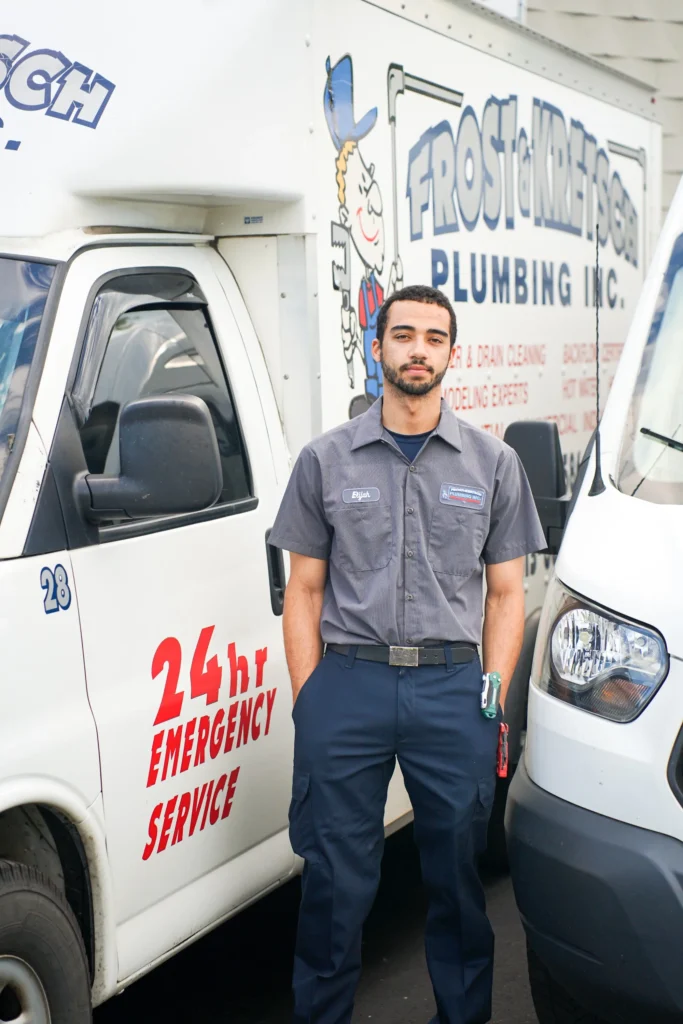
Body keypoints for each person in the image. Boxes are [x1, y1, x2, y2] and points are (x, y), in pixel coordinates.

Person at [268, 284, 546, 1024]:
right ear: (378, 346)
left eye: (433, 337)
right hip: (348, 686)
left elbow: (505, 596)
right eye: (403, 335)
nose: (417, 349)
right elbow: (303, 591)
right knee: (335, 882)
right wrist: (311, 701)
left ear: (451, 353)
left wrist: (491, 689)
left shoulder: (491, 463)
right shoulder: (324, 461)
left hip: (453, 688)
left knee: (457, 880)